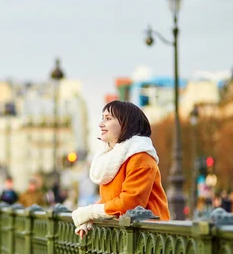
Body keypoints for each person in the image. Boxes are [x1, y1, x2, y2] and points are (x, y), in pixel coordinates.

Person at [71, 100, 170, 238]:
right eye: (102, 118)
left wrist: (91, 212)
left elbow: (130, 203)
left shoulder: (141, 157)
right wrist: (89, 219)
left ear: (125, 124)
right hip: (127, 236)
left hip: (149, 239)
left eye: (108, 118)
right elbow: (110, 200)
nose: (101, 124)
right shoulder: (112, 158)